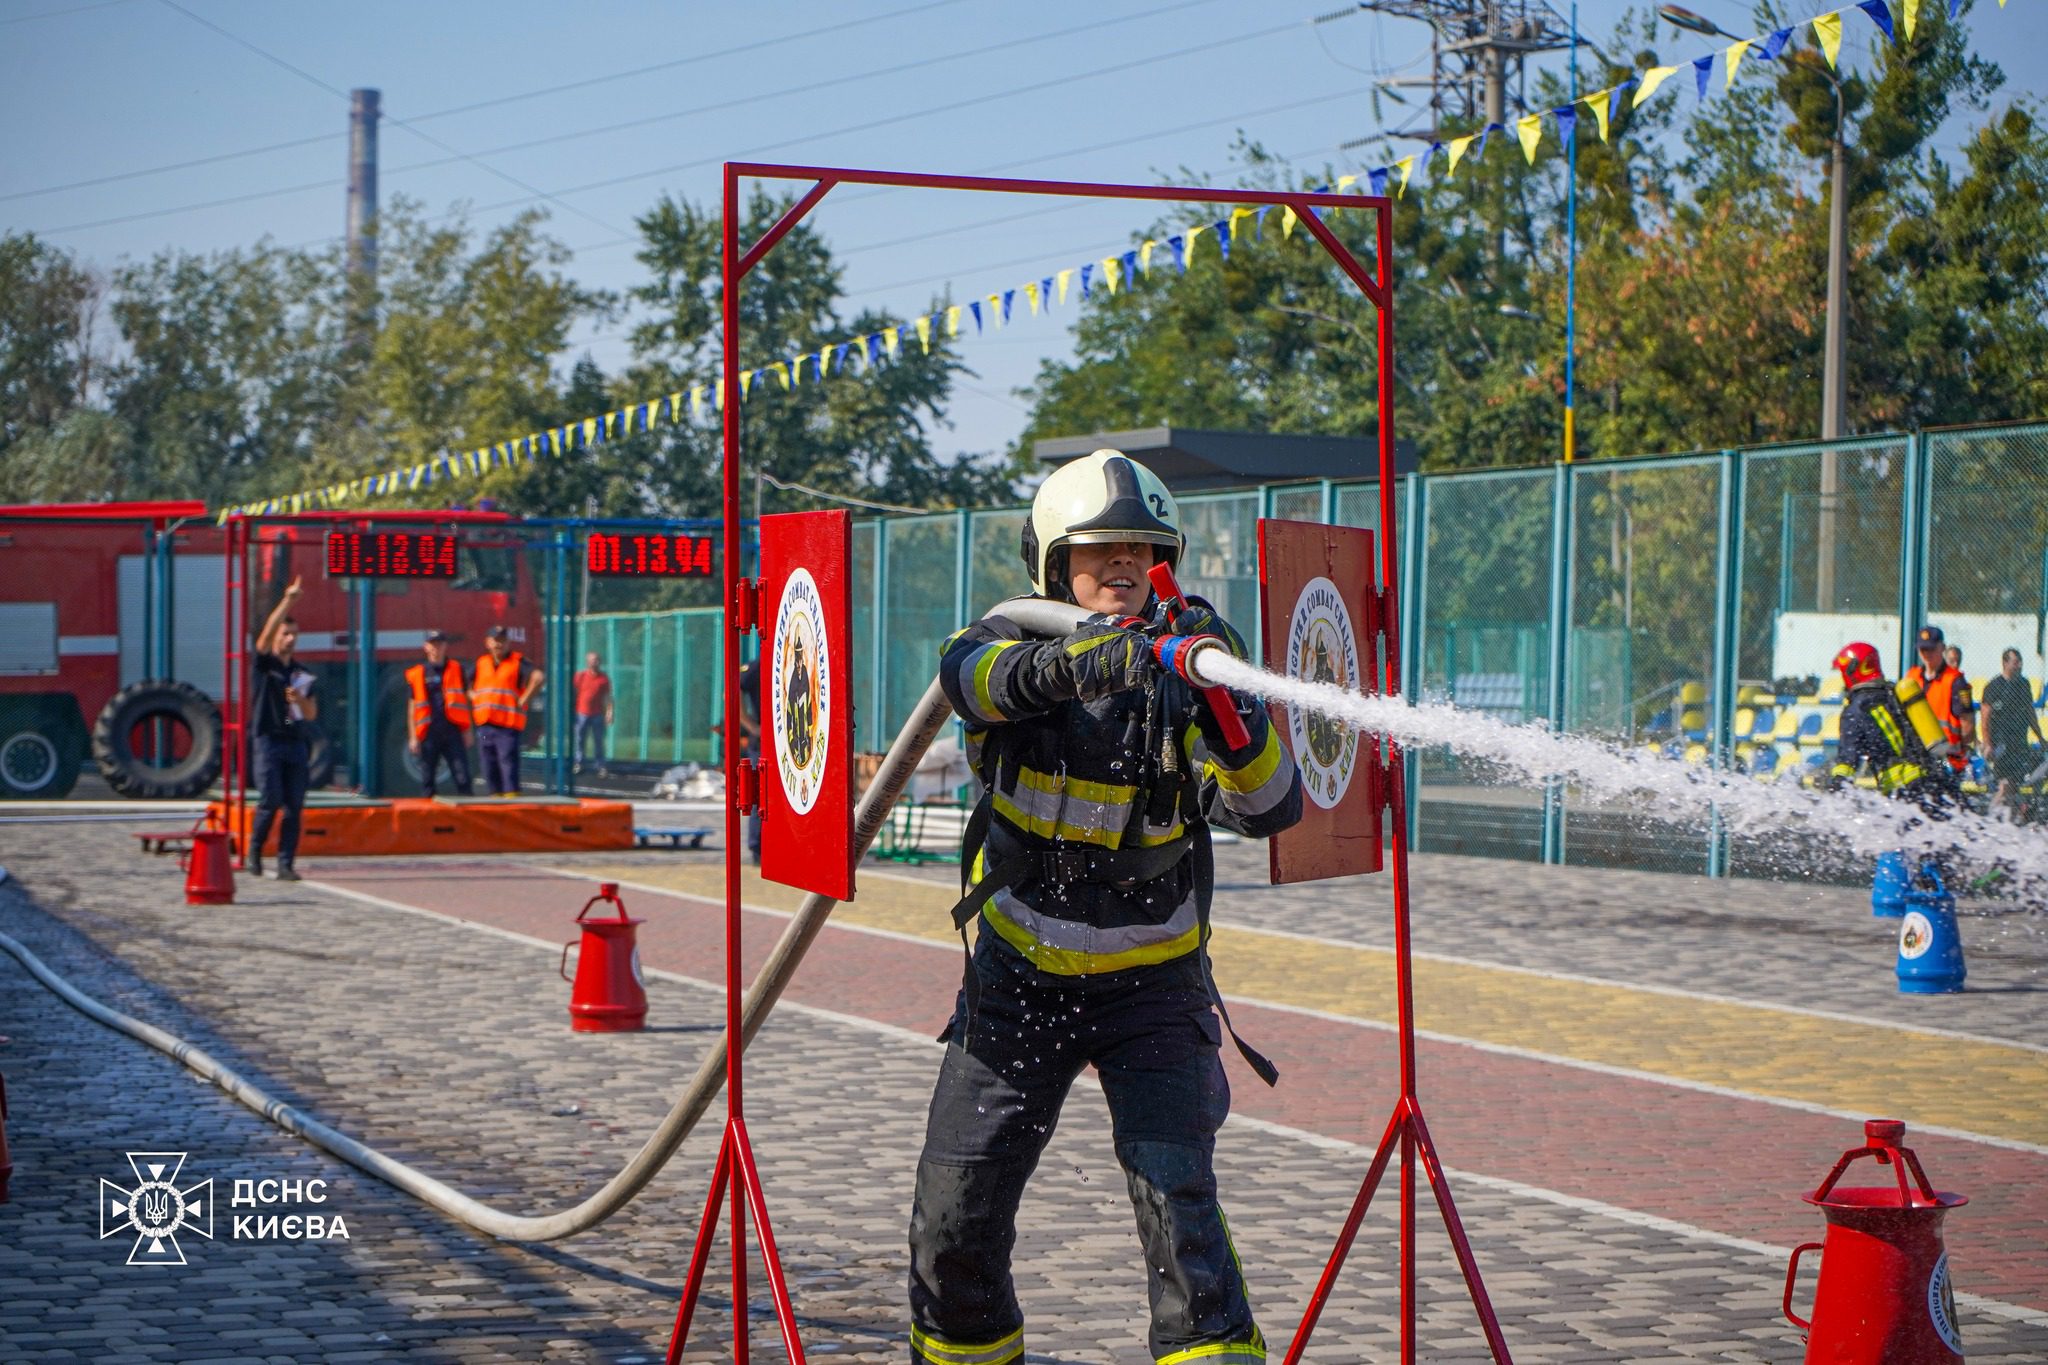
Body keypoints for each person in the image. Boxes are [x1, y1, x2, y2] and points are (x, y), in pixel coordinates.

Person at [908, 449, 1303, 1365]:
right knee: (952, 1230)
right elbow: (971, 679)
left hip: (1153, 992)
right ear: (1055, 565)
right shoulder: (1005, 636)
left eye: (1141, 548)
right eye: (1098, 550)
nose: (1122, 563)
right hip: (1017, 989)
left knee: (1183, 1228)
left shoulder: (1194, 656)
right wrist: (1083, 662)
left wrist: (1223, 700)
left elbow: (1271, 805)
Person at [1823, 641, 1954, 815]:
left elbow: (1848, 760)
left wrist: (1834, 789)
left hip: (1904, 792)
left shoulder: (1855, 710)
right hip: (1935, 779)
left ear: (1853, 671)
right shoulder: (1895, 693)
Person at [249, 575, 318, 880]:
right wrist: (289, 600)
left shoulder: (302, 673)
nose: (291, 639)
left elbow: (312, 713)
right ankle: (254, 851)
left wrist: (300, 700)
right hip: (269, 739)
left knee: (294, 806)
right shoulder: (268, 666)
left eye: (294, 634)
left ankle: (285, 863)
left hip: (294, 740)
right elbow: (262, 641)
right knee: (270, 799)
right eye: (286, 634)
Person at [471, 625, 543, 796]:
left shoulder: (517, 661)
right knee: (488, 762)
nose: (499, 645)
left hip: (507, 724)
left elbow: (538, 677)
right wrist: (473, 696)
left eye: (503, 641)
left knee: (507, 761)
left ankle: (511, 798)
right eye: (495, 641)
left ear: (508, 643)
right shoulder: (482, 663)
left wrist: (525, 698)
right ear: (487, 643)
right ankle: (494, 797)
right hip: (485, 723)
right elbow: (466, 682)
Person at [405, 631, 472, 798]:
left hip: (452, 731)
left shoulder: (456, 669)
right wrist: (413, 737)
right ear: (426, 647)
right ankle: (428, 817)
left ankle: (468, 816)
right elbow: (412, 707)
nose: (436, 648)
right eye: (433, 644)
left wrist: (468, 730)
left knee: (462, 775)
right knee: (428, 779)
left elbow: (465, 700)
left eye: (440, 644)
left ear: (445, 647)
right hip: (429, 732)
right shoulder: (418, 673)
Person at [1980, 647, 2044, 817]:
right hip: (2001, 743)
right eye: (2015, 662)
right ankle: (1989, 816)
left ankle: (2010, 820)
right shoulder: (1993, 687)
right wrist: (1987, 744)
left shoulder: (2023, 684)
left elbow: (2030, 713)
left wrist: (2040, 737)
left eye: (2020, 662)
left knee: (2014, 784)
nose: (2019, 666)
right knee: (2006, 784)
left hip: (2019, 742)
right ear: (2005, 663)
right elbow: (1985, 719)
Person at [1911, 625, 1975, 778]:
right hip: (1917, 757)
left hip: (1947, 761)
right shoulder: (1912, 678)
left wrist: (1958, 754)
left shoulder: (1955, 681)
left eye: (1932, 649)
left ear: (1942, 648)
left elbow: (1968, 726)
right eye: (1923, 649)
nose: (1927, 654)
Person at [737, 655, 762, 863]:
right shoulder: (759, 666)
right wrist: (751, 726)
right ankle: (758, 848)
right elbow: (733, 689)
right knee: (759, 793)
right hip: (763, 741)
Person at [572, 652, 614, 776]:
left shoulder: (603, 679)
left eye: (596, 660)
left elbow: (608, 696)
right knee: (579, 739)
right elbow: (573, 692)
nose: (594, 662)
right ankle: (578, 763)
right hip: (582, 714)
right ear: (587, 662)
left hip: (597, 714)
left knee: (598, 741)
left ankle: (600, 766)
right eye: (591, 660)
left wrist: (609, 712)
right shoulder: (580, 676)